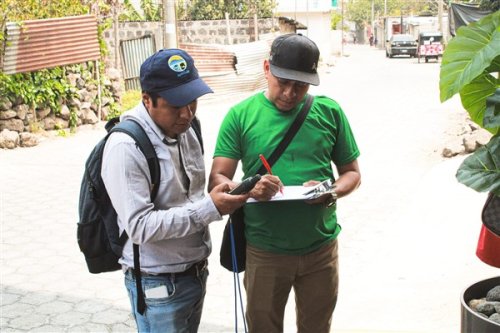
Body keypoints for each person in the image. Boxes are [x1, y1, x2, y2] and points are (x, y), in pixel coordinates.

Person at [209, 33, 361, 333]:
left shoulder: (330, 112)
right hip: (265, 252)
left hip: (321, 250)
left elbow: (352, 173)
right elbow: (218, 179)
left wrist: (330, 191)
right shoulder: (240, 116)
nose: (291, 93)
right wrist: (249, 188)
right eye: (283, 82)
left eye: (301, 85)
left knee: (317, 328)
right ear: (267, 69)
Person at [101, 48, 248, 332]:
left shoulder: (188, 128)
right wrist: (211, 207)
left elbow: (189, 195)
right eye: (175, 105)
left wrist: (233, 190)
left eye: (192, 101)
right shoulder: (125, 147)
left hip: (194, 273)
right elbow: (140, 227)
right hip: (158, 285)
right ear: (147, 100)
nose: (187, 113)